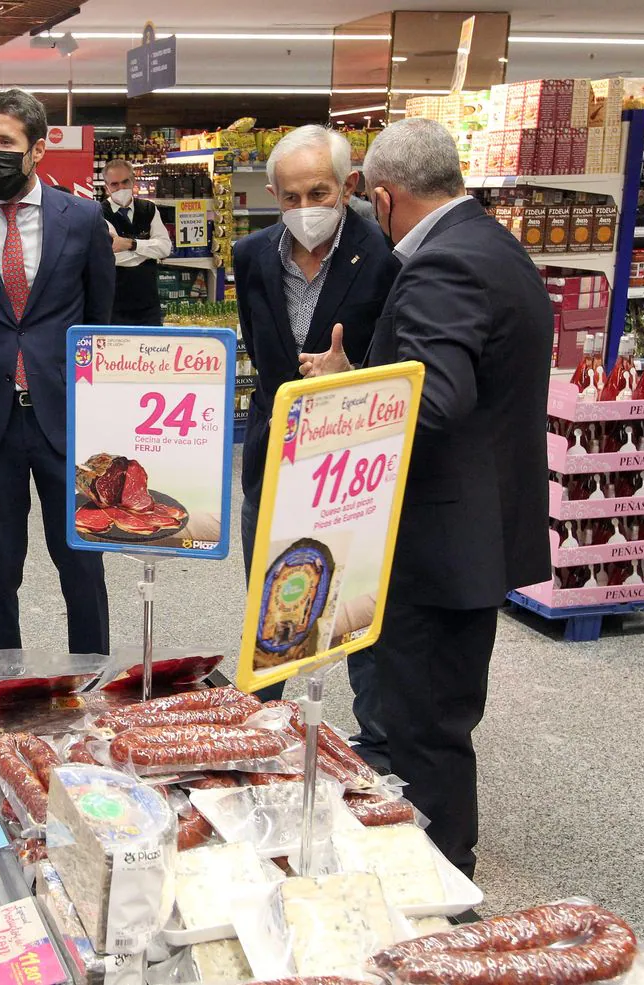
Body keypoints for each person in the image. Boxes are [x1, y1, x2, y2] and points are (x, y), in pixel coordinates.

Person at [298, 117, 551, 877]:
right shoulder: (495, 244)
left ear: (383, 196)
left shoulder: (442, 264)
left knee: (416, 727)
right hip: (475, 533)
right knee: (438, 718)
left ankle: (436, 881)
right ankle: (440, 868)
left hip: (432, 547)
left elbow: (435, 398)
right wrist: (360, 375)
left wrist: (346, 395)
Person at [0, 89, 114, 656]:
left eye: (5, 142)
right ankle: (5, 686)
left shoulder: (82, 219)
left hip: (66, 420)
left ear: (37, 149)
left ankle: (90, 681)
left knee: (81, 565)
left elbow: (98, 318)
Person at [233, 125, 400, 715]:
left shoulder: (386, 256)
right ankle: (263, 724)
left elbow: (403, 359)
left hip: (353, 459)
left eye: (319, 193)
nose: (305, 209)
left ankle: (374, 738)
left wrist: (350, 371)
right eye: (290, 197)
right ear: (274, 195)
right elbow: (262, 347)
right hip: (274, 452)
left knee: (356, 594)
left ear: (348, 185)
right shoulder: (250, 255)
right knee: (272, 593)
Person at [101, 158, 171, 325]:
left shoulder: (149, 209)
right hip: (113, 306)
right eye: (115, 184)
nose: (121, 188)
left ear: (133, 181)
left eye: (125, 182)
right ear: (106, 188)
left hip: (149, 304)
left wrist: (131, 245)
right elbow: (108, 256)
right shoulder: (97, 213)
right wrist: (147, 252)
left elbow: (165, 248)